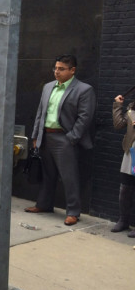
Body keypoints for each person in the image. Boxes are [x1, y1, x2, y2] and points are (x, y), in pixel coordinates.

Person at [24, 54, 96, 226]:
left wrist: (71, 138)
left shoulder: (84, 89)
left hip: (64, 138)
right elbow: (40, 113)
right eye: (55, 68)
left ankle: (73, 212)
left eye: (61, 69)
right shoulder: (48, 87)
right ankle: (44, 205)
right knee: (48, 174)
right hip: (45, 136)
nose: (56, 72)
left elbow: (85, 117)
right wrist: (36, 136)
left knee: (69, 176)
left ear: (72, 70)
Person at [111, 93, 135, 235]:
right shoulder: (131, 109)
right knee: (125, 189)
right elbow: (118, 124)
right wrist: (117, 106)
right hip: (130, 153)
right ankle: (123, 220)